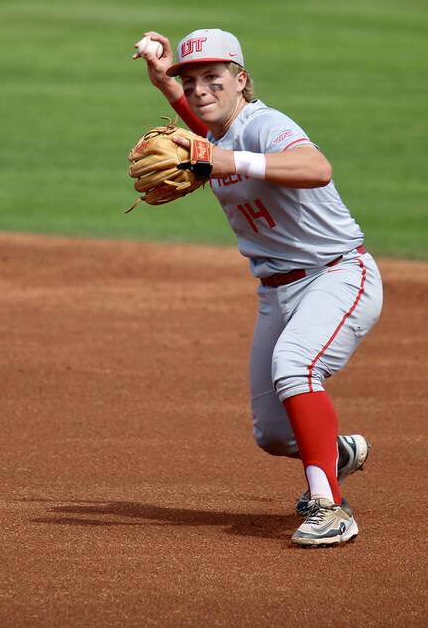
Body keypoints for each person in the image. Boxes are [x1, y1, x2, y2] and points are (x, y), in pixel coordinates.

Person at [134, 27, 384, 548]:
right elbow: (209, 135)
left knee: (296, 366)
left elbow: (318, 168)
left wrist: (230, 162)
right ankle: (333, 454)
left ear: (241, 80)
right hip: (276, 293)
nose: (202, 89)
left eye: (214, 77)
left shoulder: (266, 124)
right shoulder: (215, 134)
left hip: (337, 274)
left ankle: (328, 506)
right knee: (273, 434)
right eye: (192, 80)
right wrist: (164, 83)